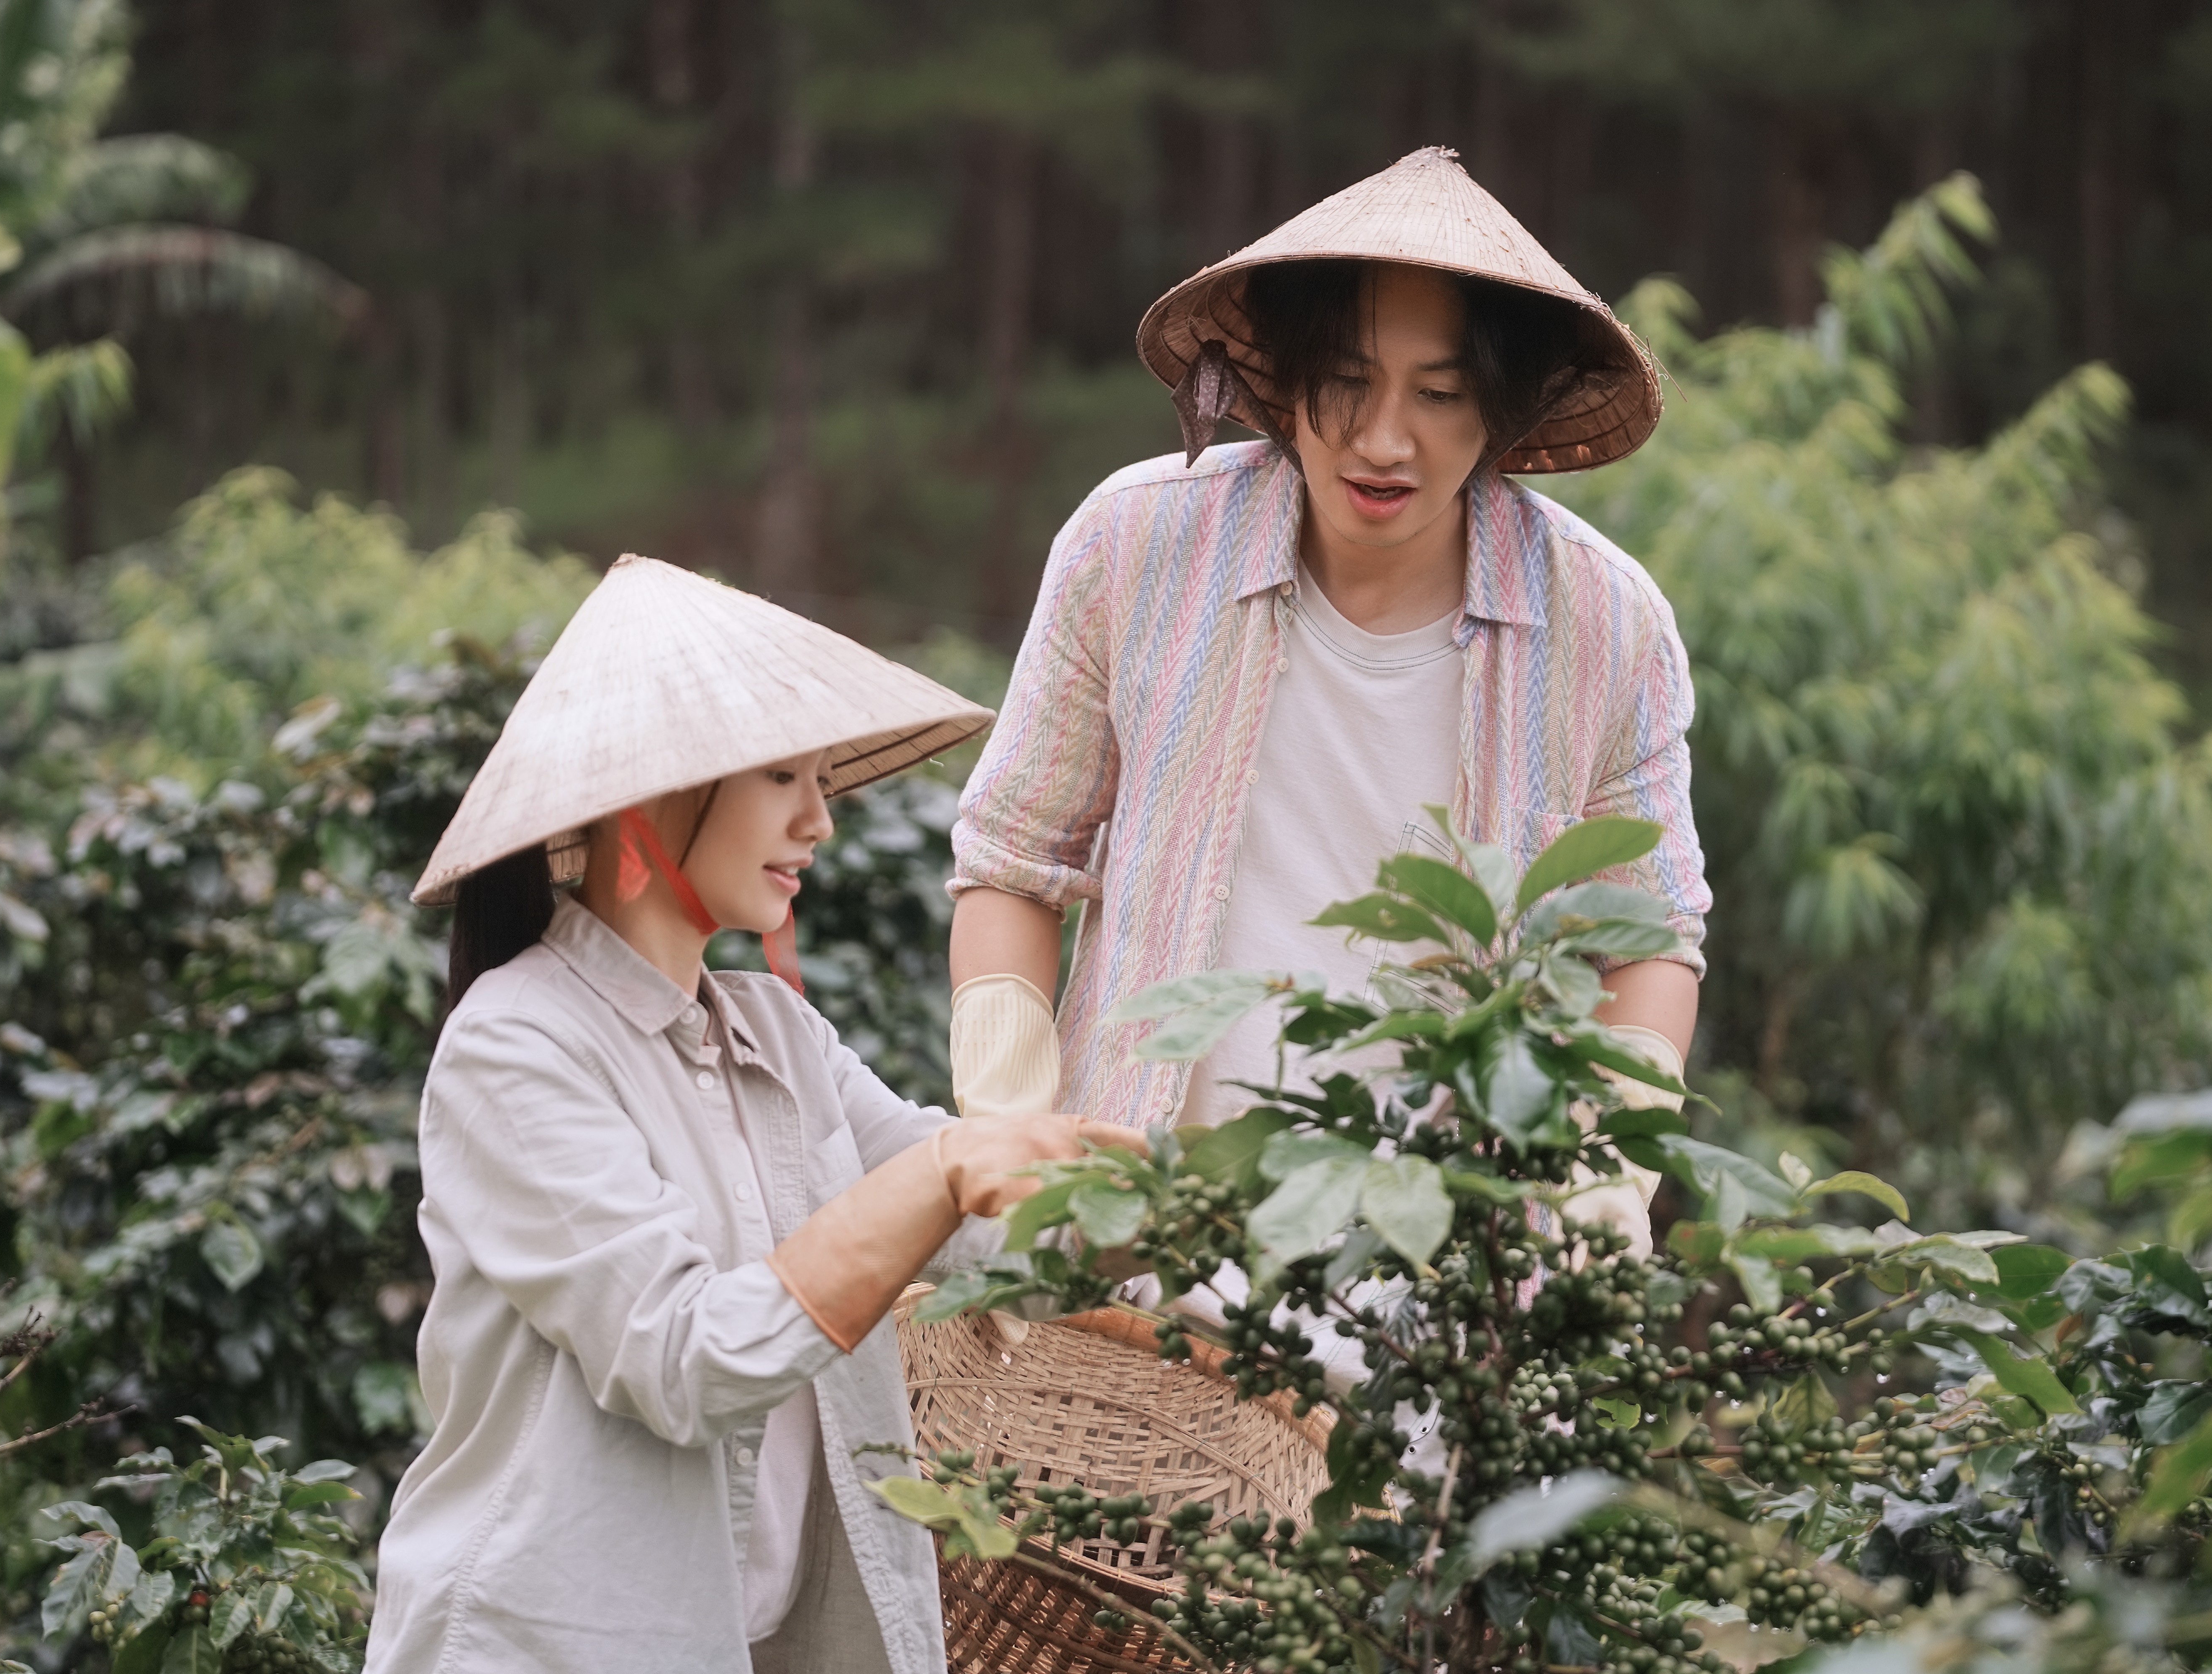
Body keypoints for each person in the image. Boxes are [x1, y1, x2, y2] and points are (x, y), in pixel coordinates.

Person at [368, 555, 1144, 1674]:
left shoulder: (779, 1037)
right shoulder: (515, 1045)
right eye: (783, 777)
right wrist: (942, 1174)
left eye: (823, 779)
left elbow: (985, 1217)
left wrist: (1145, 1198)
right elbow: (683, 1358)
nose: (820, 821)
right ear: (654, 798)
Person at [947, 147, 1709, 1253]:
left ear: (1502, 409)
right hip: (1142, 1251)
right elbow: (1014, 861)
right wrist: (1013, 1122)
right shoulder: (1138, 549)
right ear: (1284, 372)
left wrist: (1606, 1169)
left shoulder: (1604, 625)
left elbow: (1651, 936)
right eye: (1347, 380)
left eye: (1440, 394)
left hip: (1451, 1290)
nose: (1383, 439)